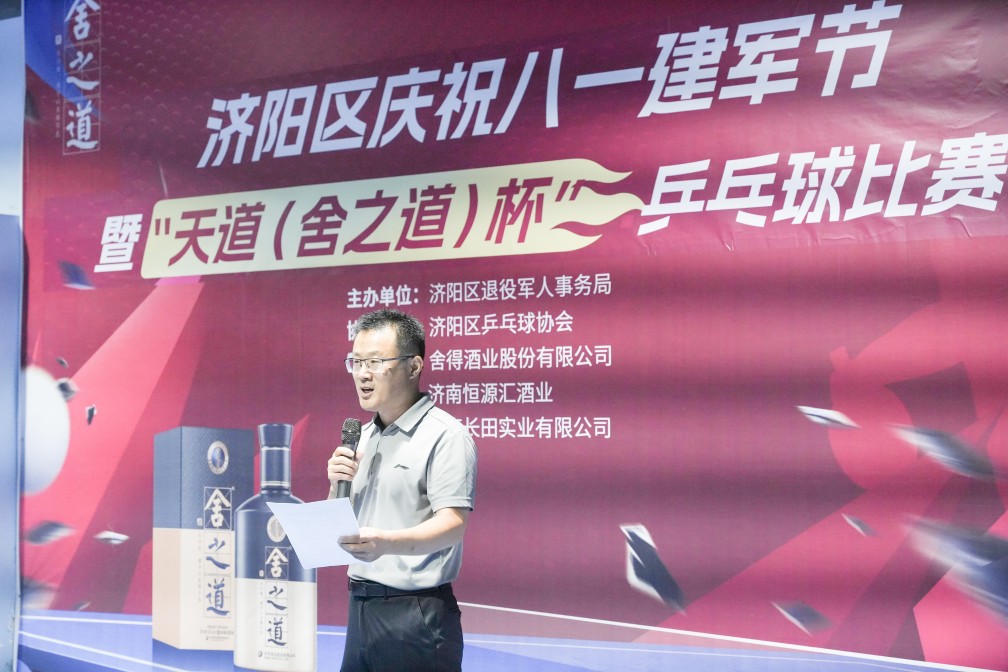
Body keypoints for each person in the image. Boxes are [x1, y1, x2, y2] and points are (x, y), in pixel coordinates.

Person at [327, 308, 478, 672]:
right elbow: (339, 524)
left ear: (414, 366)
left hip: (416, 614)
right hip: (360, 607)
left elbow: (453, 525)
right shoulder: (361, 436)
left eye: (375, 362)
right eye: (356, 362)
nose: (363, 374)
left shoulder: (445, 435)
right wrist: (335, 486)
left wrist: (386, 543)